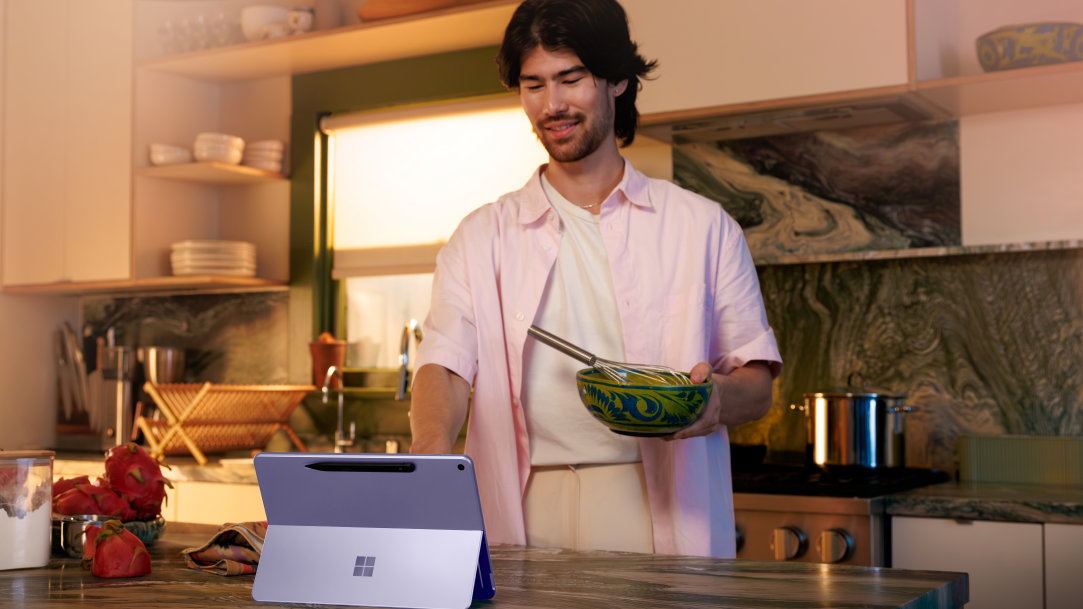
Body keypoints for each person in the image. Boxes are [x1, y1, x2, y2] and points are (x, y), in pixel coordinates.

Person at [409, 0, 782, 558]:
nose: (552, 104)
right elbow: (444, 363)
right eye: (533, 84)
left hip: (653, 506)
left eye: (571, 78)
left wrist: (711, 402)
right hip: (522, 508)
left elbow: (757, 385)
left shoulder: (701, 227)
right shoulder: (480, 236)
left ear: (618, 81)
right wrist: (431, 452)